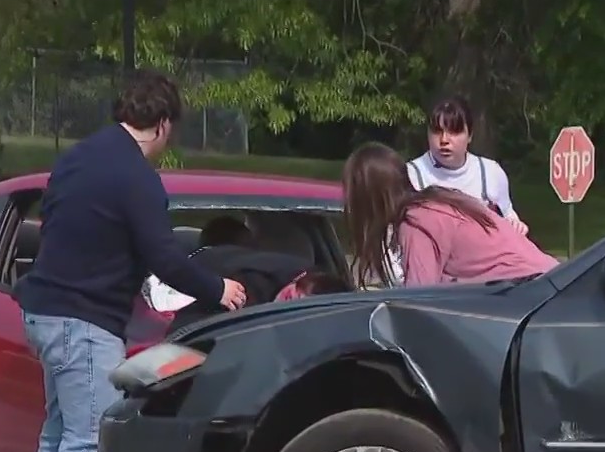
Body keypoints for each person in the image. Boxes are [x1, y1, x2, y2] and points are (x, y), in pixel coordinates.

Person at [12, 69, 247, 452]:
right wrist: (218, 289)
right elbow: (164, 256)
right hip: (84, 319)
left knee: (59, 430)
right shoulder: (136, 177)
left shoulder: (77, 157)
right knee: (87, 438)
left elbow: (60, 223)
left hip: (43, 311)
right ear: (162, 124)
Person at [342, 141, 558, 289]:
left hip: (531, 293)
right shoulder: (438, 201)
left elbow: (420, 304)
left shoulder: (416, 223)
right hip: (550, 282)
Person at [149, 216, 353, 332]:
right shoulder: (247, 284)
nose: (284, 306)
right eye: (289, 297)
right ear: (297, 279)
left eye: (295, 310)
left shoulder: (330, 298)